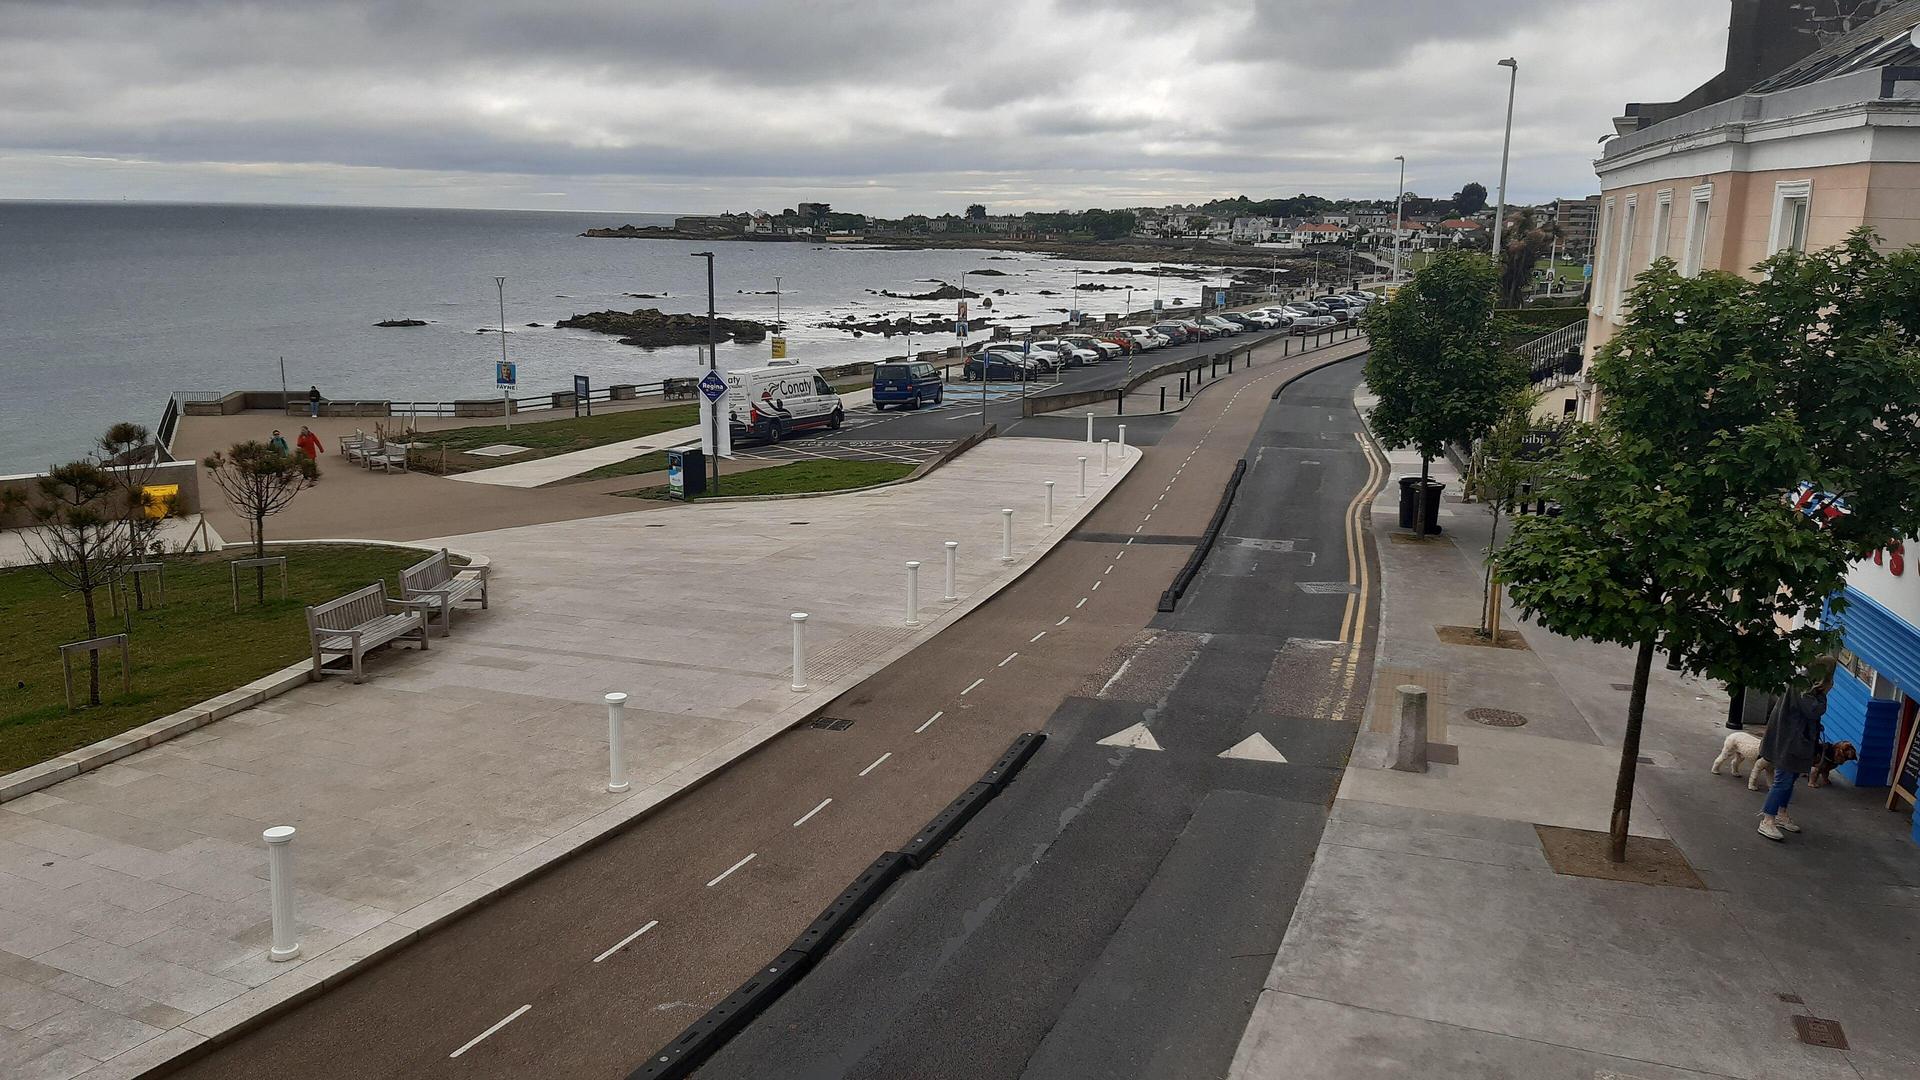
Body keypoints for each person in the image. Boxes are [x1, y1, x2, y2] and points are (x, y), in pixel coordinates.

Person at [1757, 658, 1836, 841]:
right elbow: (1813, 710)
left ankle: (1781, 813)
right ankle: (1768, 820)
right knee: (1783, 779)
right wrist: (1824, 695)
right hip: (1790, 740)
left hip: (1796, 739)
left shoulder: (1805, 681)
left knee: (1790, 778)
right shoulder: (1803, 685)